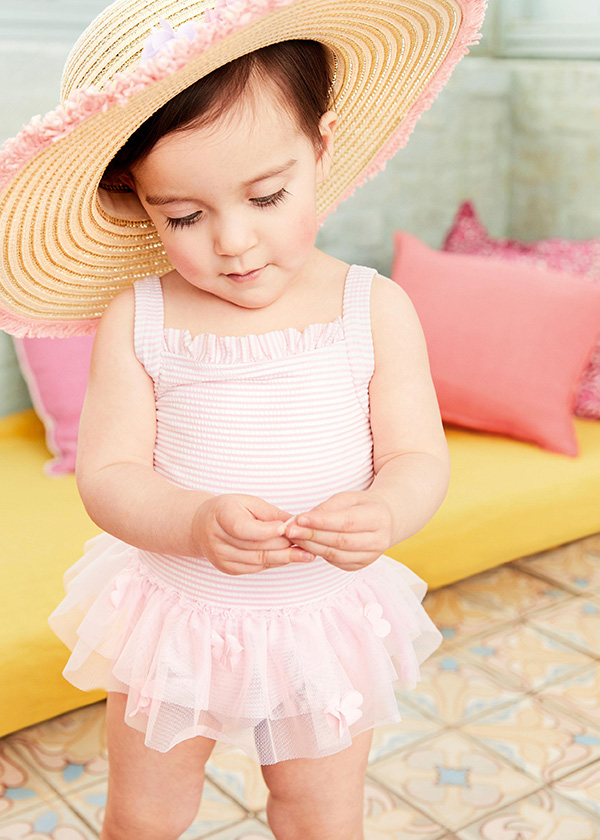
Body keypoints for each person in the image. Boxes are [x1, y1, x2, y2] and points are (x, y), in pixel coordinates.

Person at [0, 1, 486, 837]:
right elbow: (109, 475)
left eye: (266, 195)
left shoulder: (372, 308)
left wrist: (386, 510)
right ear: (137, 200)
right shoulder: (140, 316)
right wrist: (191, 521)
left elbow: (417, 456)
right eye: (183, 215)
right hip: (177, 615)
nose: (233, 242)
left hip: (321, 620)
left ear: (322, 148)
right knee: (145, 815)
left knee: (321, 814)